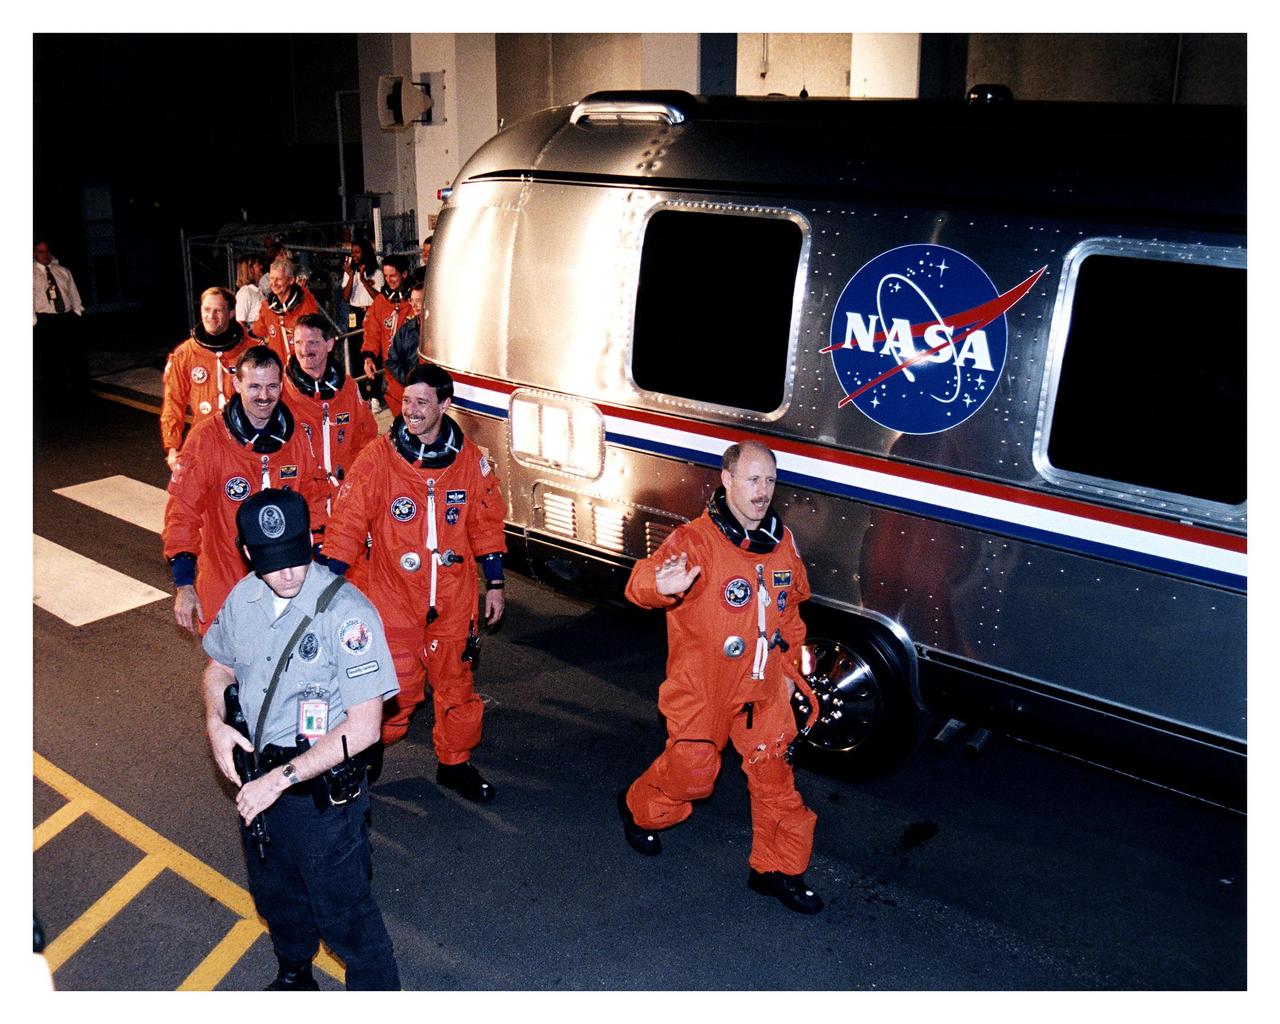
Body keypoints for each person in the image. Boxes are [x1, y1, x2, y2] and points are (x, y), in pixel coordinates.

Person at [202, 487, 401, 990]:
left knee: (345, 915)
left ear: (310, 540)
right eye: (272, 562)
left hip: (319, 799)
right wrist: (215, 722)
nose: (287, 574)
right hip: (258, 783)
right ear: (248, 553)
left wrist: (280, 780)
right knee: (277, 897)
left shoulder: (346, 615)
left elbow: (364, 728)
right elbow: (218, 667)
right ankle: (294, 974)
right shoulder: (243, 598)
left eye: (295, 556)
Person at [617, 441, 824, 914]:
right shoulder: (695, 540)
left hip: (764, 685)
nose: (762, 491)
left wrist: (790, 666)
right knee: (693, 774)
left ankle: (775, 869)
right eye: (752, 479)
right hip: (705, 683)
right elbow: (640, 581)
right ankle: (638, 806)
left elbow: (790, 609)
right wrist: (658, 586)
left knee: (776, 779)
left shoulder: (783, 542)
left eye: (770, 480)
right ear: (726, 480)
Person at [324, 363, 507, 802]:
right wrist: (326, 585)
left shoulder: (470, 462)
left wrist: (495, 582)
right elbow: (347, 525)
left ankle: (455, 763)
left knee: (457, 687)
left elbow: (486, 523)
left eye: (422, 402)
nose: (410, 410)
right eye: (406, 401)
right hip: (393, 597)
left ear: (445, 404)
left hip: (452, 599)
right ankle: (369, 753)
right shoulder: (378, 458)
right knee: (393, 688)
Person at [163, 345, 326, 637]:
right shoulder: (207, 438)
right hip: (226, 583)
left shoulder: (297, 436)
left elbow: (313, 504)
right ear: (236, 384)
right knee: (226, 676)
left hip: (288, 584)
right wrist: (184, 584)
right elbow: (182, 512)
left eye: (272, 386)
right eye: (254, 386)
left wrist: (322, 563)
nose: (264, 396)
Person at [282, 313, 377, 529]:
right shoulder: (281, 392)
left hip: (343, 497)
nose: (304, 351)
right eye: (298, 342)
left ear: (330, 344)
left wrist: (359, 485)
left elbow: (366, 440)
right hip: (300, 498)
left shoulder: (349, 389)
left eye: (313, 342)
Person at [161, 287, 257, 471]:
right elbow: (174, 401)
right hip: (203, 443)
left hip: (246, 444)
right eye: (206, 309)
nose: (210, 316)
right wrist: (172, 447)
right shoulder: (185, 354)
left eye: (218, 310)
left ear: (230, 313)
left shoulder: (252, 352)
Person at [359, 255, 412, 416]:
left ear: (404, 274)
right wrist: (368, 357)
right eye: (386, 276)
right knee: (399, 412)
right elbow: (371, 332)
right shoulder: (381, 303)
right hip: (392, 372)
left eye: (393, 275)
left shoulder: (415, 299)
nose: (389, 280)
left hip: (414, 369)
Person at [32, 240, 86, 393]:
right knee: (51, 358)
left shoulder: (62, 271)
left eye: (47, 251)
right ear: (34, 254)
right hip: (46, 319)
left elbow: (73, 292)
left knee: (75, 354)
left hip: (66, 317)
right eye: (41, 252)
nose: (45, 255)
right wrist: (33, 321)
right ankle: (57, 391)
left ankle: (80, 388)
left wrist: (76, 312)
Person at [250, 256, 322, 361]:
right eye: (271, 278)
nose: (273, 283)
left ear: (291, 280)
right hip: (278, 368)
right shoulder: (267, 307)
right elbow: (258, 331)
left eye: (278, 279)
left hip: (302, 365)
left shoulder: (305, 304)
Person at [339, 238, 382, 401]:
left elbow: (377, 298)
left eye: (357, 252)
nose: (354, 255)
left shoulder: (376, 273)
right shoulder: (350, 272)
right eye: (352, 253)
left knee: (373, 353)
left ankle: (376, 394)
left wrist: (364, 280)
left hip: (371, 312)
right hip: (355, 314)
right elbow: (345, 297)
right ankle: (362, 394)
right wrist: (351, 276)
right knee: (356, 353)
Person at [385, 283, 427, 389]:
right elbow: (392, 361)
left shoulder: (439, 329)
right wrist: (408, 380)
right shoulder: (405, 330)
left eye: (418, 300)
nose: (414, 305)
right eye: (412, 300)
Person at [234, 257, 265, 326]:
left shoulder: (258, 290)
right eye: (258, 265)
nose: (261, 267)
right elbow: (240, 323)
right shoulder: (245, 292)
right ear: (250, 269)